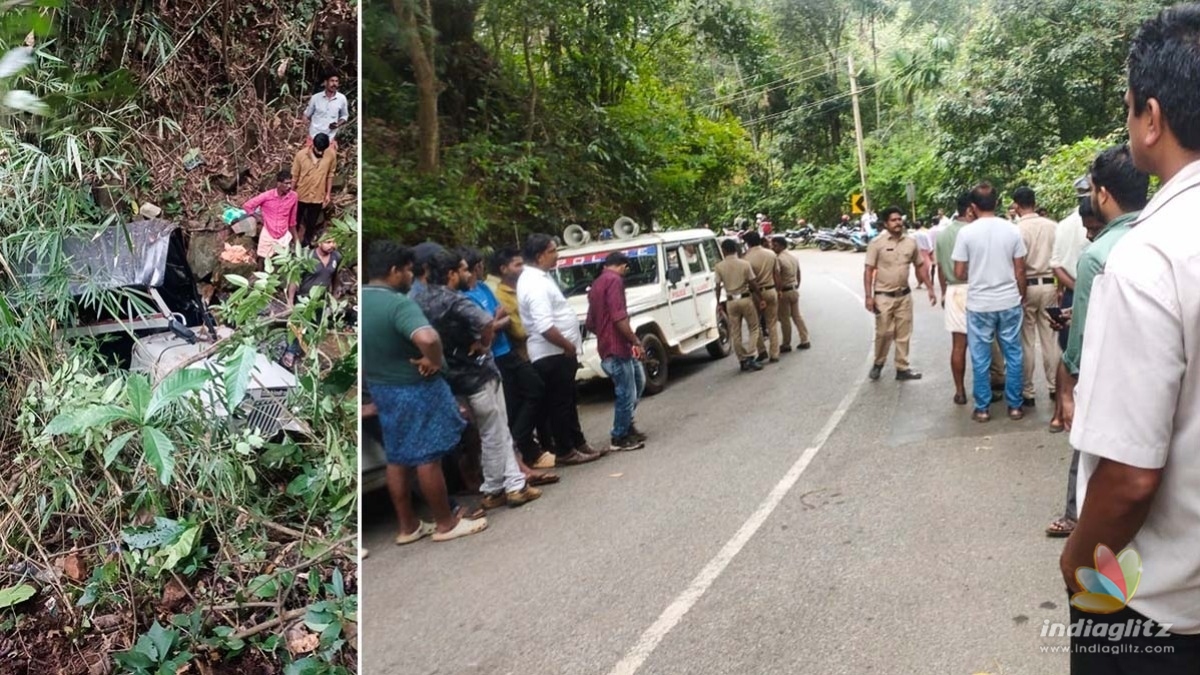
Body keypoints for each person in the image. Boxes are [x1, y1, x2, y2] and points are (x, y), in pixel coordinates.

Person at [1063, 7, 1200, 668]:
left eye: (1127, 107)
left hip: (1160, 610)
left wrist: (1077, 561)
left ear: (1152, 117)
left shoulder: (1149, 257)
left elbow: (1130, 478)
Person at [1044, 145, 1148, 540]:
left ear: (1102, 194)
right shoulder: (1165, 237)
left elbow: (1084, 340)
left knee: (1093, 455)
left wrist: (1068, 390)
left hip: (1111, 380)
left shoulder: (1097, 255)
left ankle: (1085, 526)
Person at [361, 241, 487, 543]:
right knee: (427, 457)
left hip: (383, 390)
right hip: (413, 387)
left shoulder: (362, 300)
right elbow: (428, 336)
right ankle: (446, 523)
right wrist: (432, 359)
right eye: (405, 270)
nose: (409, 275)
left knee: (398, 458)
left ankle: (408, 527)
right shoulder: (397, 303)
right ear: (393, 271)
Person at [415, 250, 541, 509]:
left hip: (451, 376)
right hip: (478, 373)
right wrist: (484, 343)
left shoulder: (420, 300)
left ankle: (499, 486)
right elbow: (485, 322)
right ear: (450, 274)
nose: (468, 274)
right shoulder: (455, 300)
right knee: (496, 430)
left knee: (490, 431)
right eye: (462, 269)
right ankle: (509, 487)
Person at [460, 247, 559, 487]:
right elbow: (489, 324)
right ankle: (520, 453)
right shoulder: (465, 298)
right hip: (491, 357)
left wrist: (492, 323)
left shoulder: (483, 288)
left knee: (535, 390)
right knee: (508, 409)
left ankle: (523, 450)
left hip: (507, 351)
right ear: (476, 267)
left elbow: (500, 318)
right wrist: (493, 323)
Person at [518, 234, 602, 465]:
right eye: (553, 251)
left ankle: (578, 442)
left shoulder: (541, 278)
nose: (557, 254)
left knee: (568, 399)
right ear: (539, 256)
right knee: (560, 404)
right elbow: (544, 325)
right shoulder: (533, 283)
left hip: (558, 352)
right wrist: (567, 346)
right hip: (551, 353)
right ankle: (566, 449)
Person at [951, 183, 1027, 422]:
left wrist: (978, 273)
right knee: (1013, 354)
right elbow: (1020, 270)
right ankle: (1015, 406)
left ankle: (982, 409)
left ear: (972, 207)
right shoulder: (1012, 230)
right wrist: (1021, 294)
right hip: (1008, 301)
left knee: (981, 357)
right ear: (997, 202)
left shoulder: (966, 233)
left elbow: (959, 271)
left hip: (980, 304)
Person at [489, 248, 555, 469]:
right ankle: (523, 445)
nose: (521, 268)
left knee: (543, 400)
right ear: (503, 269)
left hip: (534, 351)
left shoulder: (525, 286)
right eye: (516, 265)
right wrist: (540, 328)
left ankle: (548, 446)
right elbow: (518, 329)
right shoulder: (501, 296)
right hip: (518, 354)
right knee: (531, 396)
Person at [863, 206, 936, 381]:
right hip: (883, 296)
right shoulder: (876, 244)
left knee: (904, 333)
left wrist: (930, 287)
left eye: (899, 219)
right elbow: (868, 270)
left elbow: (920, 265)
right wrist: (868, 296)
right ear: (886, 223)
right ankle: (878, 363)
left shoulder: (910, 242)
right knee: (883, 333)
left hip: (904, 295)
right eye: (893, 220)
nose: (898, 223)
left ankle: (902, 368)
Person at [586, 252, 648, 452]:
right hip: (617, 346)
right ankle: (619, 435)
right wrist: (635, 340)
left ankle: (627, 424)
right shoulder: (614, 281)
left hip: (611, 344)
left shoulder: (597, 284)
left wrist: (605, 334)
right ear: (623, 266)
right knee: (626, 392)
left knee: (637, 383)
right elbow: (618, 315)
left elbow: (590, 322)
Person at [1011, 186, 1061, 407]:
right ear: (1034, 201)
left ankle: (1028, 390)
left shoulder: (1015, 230)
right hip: (1050, 284)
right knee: (1050, 338)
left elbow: (1016, 265)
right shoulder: (1053, 226)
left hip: (1026, 286)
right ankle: (1054, 387)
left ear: (1017, 205)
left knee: (1026, 340)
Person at [282, 231, 343, 369]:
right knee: (296, 326)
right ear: (319, 242)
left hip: (322, 299)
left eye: (334, 242)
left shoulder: (336, 257)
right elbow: (294, 279)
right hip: (304, 298)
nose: (332, 245)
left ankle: (307, 350)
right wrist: (290, 301)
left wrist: (334, 295)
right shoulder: (307, 257)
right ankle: (290, 352)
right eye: (328, 242)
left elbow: (335, 276)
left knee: (316, 326)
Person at [936, 192, 975, 404]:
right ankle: (984, 390)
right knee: (982, 343)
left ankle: (959, 391)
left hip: (954, 290)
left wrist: (943, 292)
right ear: (970, 209)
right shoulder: (974, 231)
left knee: (958, 345)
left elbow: (940, 267)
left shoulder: (942, 234)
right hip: (975, 288)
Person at [714, 238, 763, 372]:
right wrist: (760, 297)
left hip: (730, 301)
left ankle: (741, 359)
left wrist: (718, 302)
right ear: (735, 249)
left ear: (723, 250)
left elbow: (717, 286)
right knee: (754, 327)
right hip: (745, 298)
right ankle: (751, 356)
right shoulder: (744, 264)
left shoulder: (719, 266)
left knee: (735, 332)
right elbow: (753, 282)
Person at [291, 133, 337, 248]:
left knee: (312, 223)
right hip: (301, 194)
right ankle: (292, 243)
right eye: (318, 150)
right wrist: (290, 193)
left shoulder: (331, 155)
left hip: (318, 195)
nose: (320, 153)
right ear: (313, 145)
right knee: (295, 220)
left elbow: (330, 175)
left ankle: (306, 244)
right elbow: (294, 176)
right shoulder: (301, 155)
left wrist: (328, 194)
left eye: (323, 150)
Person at [242, 171, 298, 261]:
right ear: (279, 183)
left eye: (290, 183)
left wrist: (296, 241)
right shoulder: (267, 196)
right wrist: (258, 218)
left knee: (282, 260)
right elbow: (247, 206)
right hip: (268, 232)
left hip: (283, 233)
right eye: (286, 183)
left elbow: (292, 220)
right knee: (262, 258)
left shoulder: (293, 196)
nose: (289, 186)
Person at [743, 231, 781, 363]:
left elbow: (748, 280)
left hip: (755, 294)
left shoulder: (746, 258)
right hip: (771, 290)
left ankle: (762, 350)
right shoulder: (771, 254)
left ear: (747, 243)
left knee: (755, 324)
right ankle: (774, 353)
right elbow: (776, 274)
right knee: (772, 323)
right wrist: (779, 290)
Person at [769, 236, 811, 351]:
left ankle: (786, 343)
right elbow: (799, 272)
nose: (773, 248)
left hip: (785, 291)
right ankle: (805, 339)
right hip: (794, 289)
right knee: (797, 316)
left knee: (784, 319)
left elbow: (777, 276)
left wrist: (778, 291)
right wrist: (797, 285)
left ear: (781, 246)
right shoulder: (793, 257)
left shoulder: (778, 259)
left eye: (775, 245)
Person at [300, 72, 349, 144]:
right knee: (310, 155)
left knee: (328, 155)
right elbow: (307, 114)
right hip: (314, 136)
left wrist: (337, 124)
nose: (334, 84)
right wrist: (304, 122)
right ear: (326, 82)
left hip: (330, 137)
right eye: (332, 81)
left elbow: (345, 116)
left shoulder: (342, 98)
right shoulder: (315, 98)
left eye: (336, 81)